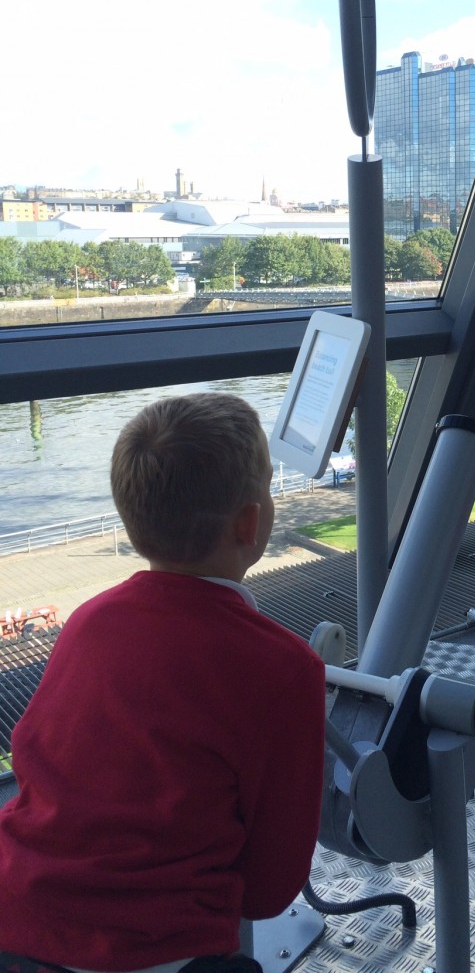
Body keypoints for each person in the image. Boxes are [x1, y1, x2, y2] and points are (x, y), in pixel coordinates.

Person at [0, 393, 326, 973]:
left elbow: (37, 758)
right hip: (157, 952)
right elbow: (270, 889)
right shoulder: (284, 669)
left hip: (15, 922)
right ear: (250, 523)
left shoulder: (87, 622)